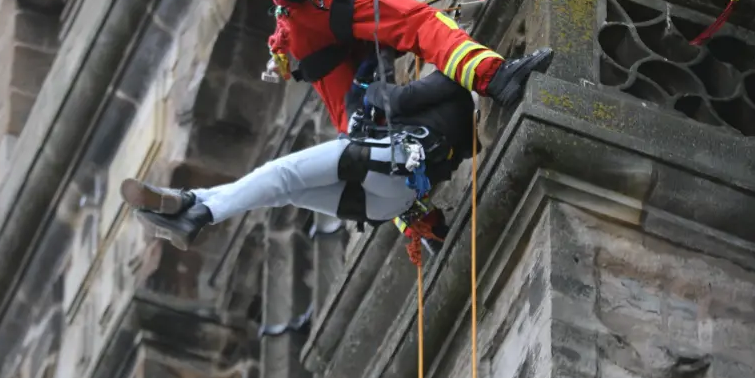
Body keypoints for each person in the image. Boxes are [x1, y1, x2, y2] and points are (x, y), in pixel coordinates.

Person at [121, 69, 484, 251]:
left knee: (280, 175)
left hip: (390, 162)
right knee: (282, 191)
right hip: (389, 200)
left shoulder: (452, 81)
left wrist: (374, 89)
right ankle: (189, 202)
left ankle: (200, 211)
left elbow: (400, 100)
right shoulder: (462, 128)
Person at [266, 0, 549, 133]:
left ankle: (409, 212)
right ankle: (493, 75)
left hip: (310, 38)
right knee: (421, 22)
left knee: (355, 123)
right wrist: (393, 49)